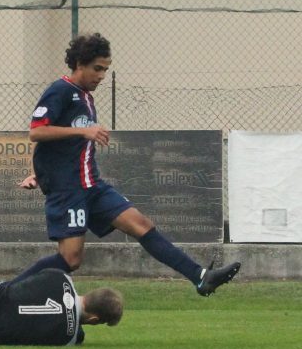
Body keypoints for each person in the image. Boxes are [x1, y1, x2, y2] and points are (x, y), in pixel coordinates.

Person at [18, 33, 240, 296]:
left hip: (92, 185)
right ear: (79, 64)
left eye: (105, 69)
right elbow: (37, 132)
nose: (101, 75)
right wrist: (83, 133)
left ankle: (201, 277)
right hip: (69, 190)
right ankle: (4, 292)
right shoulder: (61, 90)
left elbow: (62, 148)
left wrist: (39, 169)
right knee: (70, 259)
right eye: (97, 69)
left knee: (141, 224)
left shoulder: (86, 96)